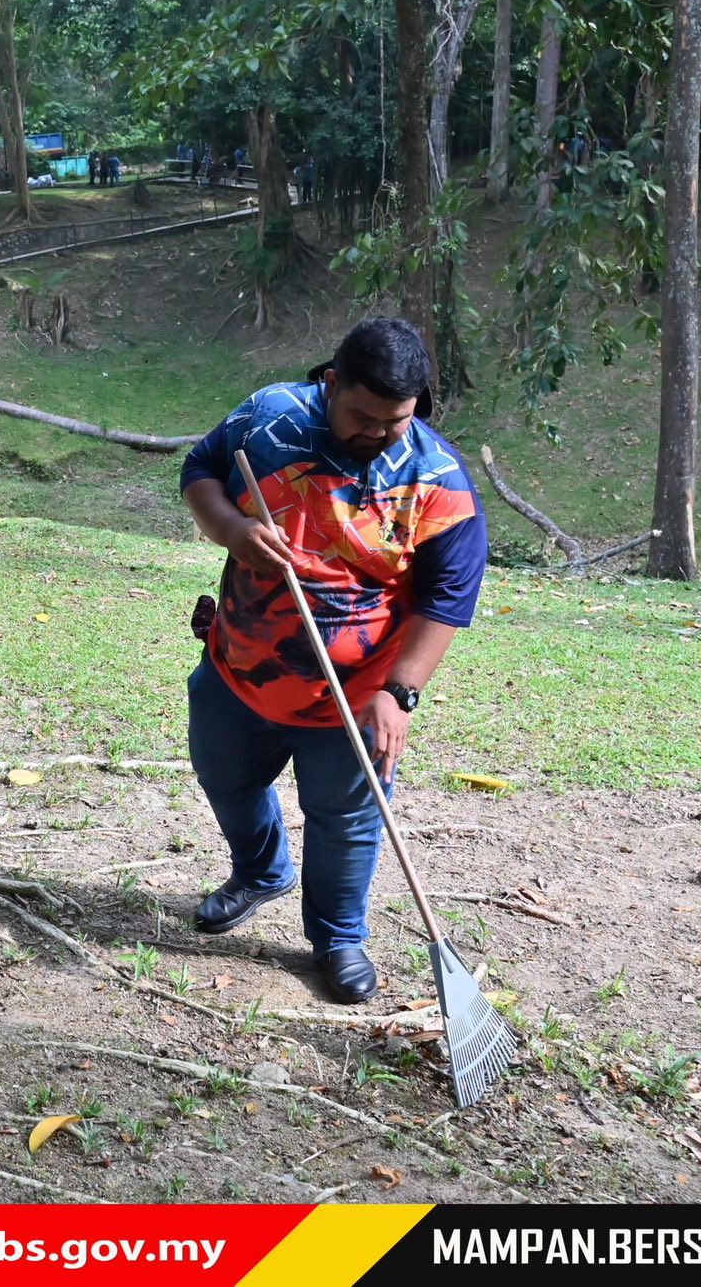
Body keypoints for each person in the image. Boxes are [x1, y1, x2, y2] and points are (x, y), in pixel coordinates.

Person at [177, 317, 487, 1004]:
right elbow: (200, 469)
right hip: (241, 669)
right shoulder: (268, 418)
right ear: (330, 383)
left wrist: (400, 693)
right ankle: (259, 873)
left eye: (396, 421)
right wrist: (232, 528)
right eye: (363, 415)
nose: (377, 433)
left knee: (346, 821)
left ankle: (337, 937)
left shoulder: (437, 481)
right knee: (225, 780)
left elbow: (449, 597)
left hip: (357, 697)